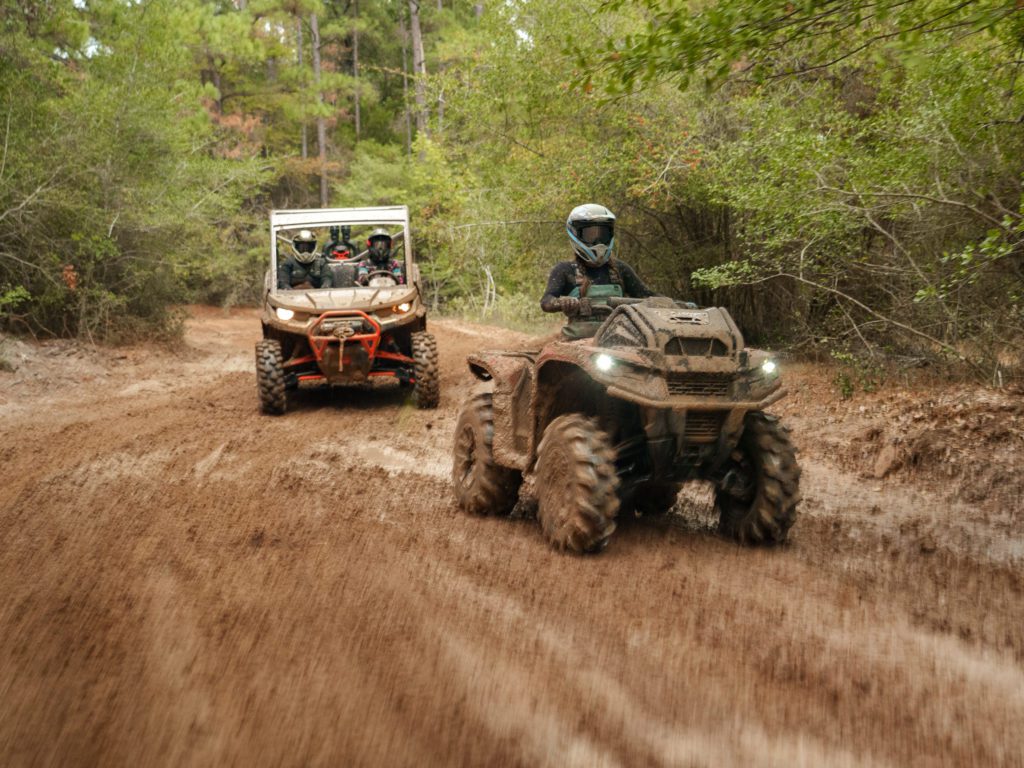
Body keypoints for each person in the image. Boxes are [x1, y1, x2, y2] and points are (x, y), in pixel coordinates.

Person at [540, 203, 655, 339]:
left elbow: (646, 296)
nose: (598, 241)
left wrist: (676, 304)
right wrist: (563, 302)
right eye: (591, 235)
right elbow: (546, 301)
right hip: (577, 343)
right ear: (575, 234)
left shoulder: (620, 269)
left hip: (618, 341)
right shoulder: (565, 270)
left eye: (603, 234)